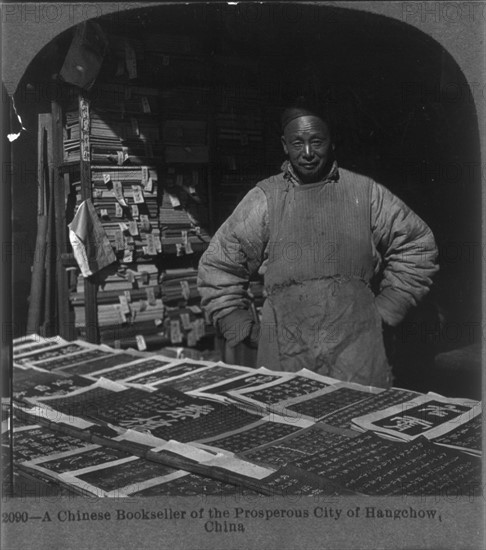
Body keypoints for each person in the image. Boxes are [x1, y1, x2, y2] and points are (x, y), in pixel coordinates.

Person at [197, 100, 439, 387]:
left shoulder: (364, 192)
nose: (308, 153)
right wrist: (237, 322)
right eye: (298, 143)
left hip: (356, 349)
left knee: (357, 420)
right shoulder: (266, 197)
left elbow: (417, 244)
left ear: (332, 143)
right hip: (285, 349)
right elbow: (219, 263)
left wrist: (390, 305)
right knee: (289, 421)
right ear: (284, 146)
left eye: (317, 142)